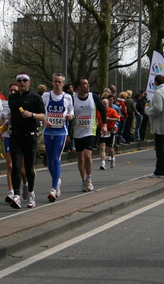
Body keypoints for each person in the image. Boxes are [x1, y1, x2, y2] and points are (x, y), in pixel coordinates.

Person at [8, 73, 45, 208]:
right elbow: (11, 114)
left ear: (29, 82)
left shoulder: (35, 97)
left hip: (30, 136)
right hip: (16, 135)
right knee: (16, 166)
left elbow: (43, 116)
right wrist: (5, 121)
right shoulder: (12, 97)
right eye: (19, 81)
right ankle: (16, 195)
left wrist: (31, 115)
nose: (22, 83)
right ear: (16, 83)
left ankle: (30, 193)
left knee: (29, 168)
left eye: (24, 80)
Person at [41, 73, 74, 201]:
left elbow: (71, 111)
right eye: (55, 81)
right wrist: (44, 121)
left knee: (56, 159)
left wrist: (70, 116)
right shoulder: (46, 96)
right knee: (50, 161)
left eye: (60, 82)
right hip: (48, 131)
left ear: (63, 83)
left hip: (61, 132)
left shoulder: (67, 97)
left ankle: (53, 189)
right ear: (52, 82)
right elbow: (41, 112)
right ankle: (57, 180)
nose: (57, 84)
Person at [73, 77, 107, 191]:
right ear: (78, 87)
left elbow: (102, 110)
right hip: (77, 131)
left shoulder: (94, 97)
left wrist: (104, 125)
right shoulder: (73, 99)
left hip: (90, 130)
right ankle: (83, 180)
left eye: (88, 83)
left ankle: (89, 179)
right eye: (84, 84)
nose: (87, 85)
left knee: (87, 155)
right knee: (80, 158)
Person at [145, 75, 164, 178]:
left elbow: (158, 108)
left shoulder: (158, 93)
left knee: (160, 149)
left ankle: (160, 171)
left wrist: (147, 110)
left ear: (156, 82)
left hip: (161, 124)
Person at [98, 98, 119, 170]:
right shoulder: (99, 111)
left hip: (110, 130)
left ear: (108, 104)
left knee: (110, 147)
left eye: (105, 104)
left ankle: (113, 158)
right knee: (102, 147)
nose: (104, 105)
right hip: (102, 131)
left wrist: (109, 119)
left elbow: (118, 119)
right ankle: (103, 163)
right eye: (102, 104)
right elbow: (97, 119)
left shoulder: (112, 111)